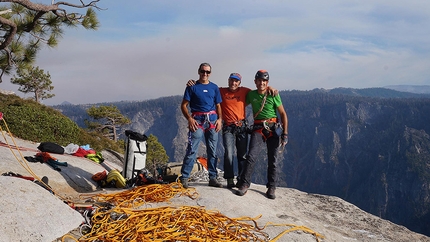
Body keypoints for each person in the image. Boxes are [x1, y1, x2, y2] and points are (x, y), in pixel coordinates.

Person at [187, 73, 278, 188]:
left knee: (242, 155)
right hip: (228, 128)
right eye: (231, 80)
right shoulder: (220, 91)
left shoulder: (245, 91)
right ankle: (230, 179)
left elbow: (260, 90)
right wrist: (194, 83)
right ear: (228, 80)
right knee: (229, 154)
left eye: (236, 81)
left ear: (239, 83)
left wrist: (270, 88)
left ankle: (241, 179)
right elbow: (207, 87)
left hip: (242, 127)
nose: (233, 83)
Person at [236, 70, 288, 199]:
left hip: (273, 128)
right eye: (259, 80)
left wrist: (285, 134)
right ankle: (244, 184)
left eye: (264, 81)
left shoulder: (273, 94)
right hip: (258, 128)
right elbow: (240, 103)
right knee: (251, 156)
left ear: (267, 82)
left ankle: (271, 187)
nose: (261, 83)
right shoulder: (251, 94)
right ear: (255, 81)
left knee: (273, 160)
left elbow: (283, 114)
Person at [180, 62, 223, 189]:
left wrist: (220, 119)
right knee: (192, 149)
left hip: (212, 120)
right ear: (199, 72)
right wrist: (189, 118)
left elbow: (218, 105)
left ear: (210, 73)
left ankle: (213, 177)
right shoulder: (192, 87)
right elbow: (183, 105)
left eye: (207, 72)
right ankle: (184, 178)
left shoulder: (214, 87)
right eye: (203, 71)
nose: (205, 74)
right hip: (197, 120)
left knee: (213, 151)